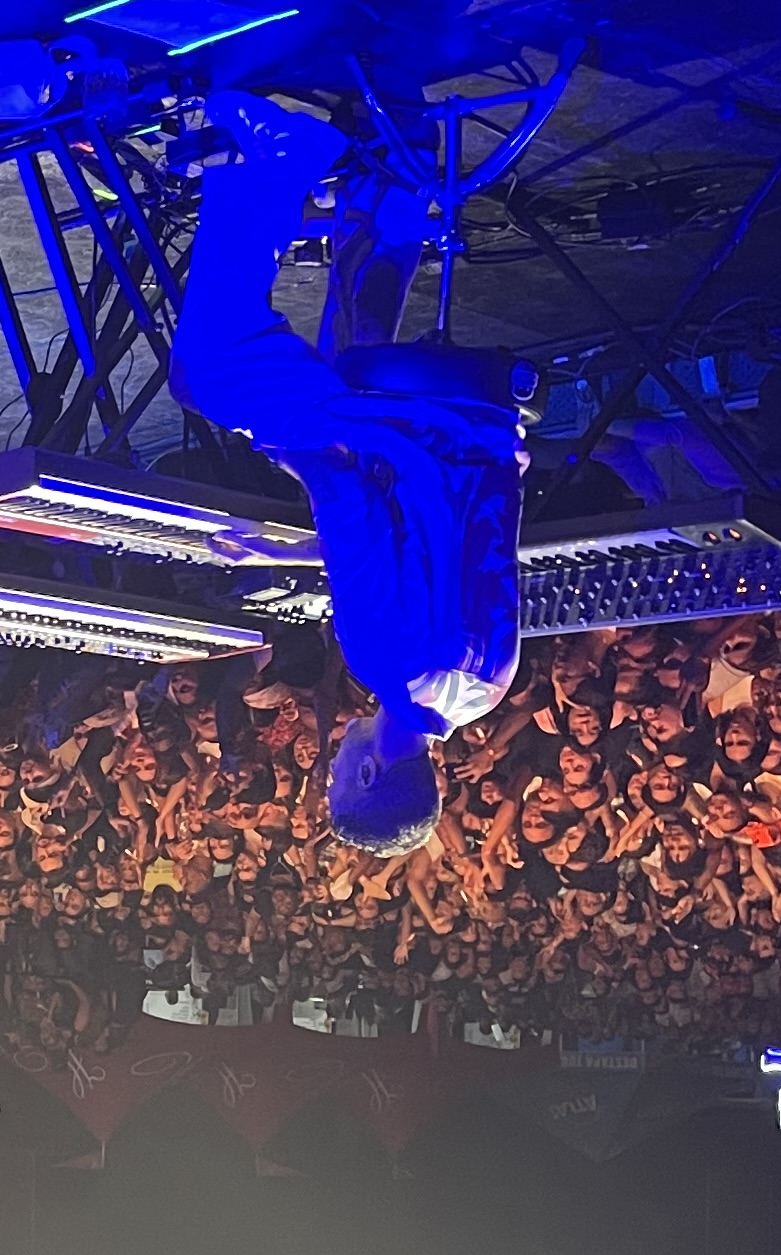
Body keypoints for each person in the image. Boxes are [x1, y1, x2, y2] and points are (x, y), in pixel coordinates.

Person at [172, 93, 523, 852]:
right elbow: (349, 497)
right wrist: (284, 456)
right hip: (420, 434)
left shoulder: (484, 691)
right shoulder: (384, 666)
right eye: (333, 776)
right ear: (366, 777)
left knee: (340, 367)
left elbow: (430, 556)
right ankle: (273, 162)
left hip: (477, 440)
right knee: (209, 377)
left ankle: (395, 170)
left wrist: (289, 555)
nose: (328, 764)